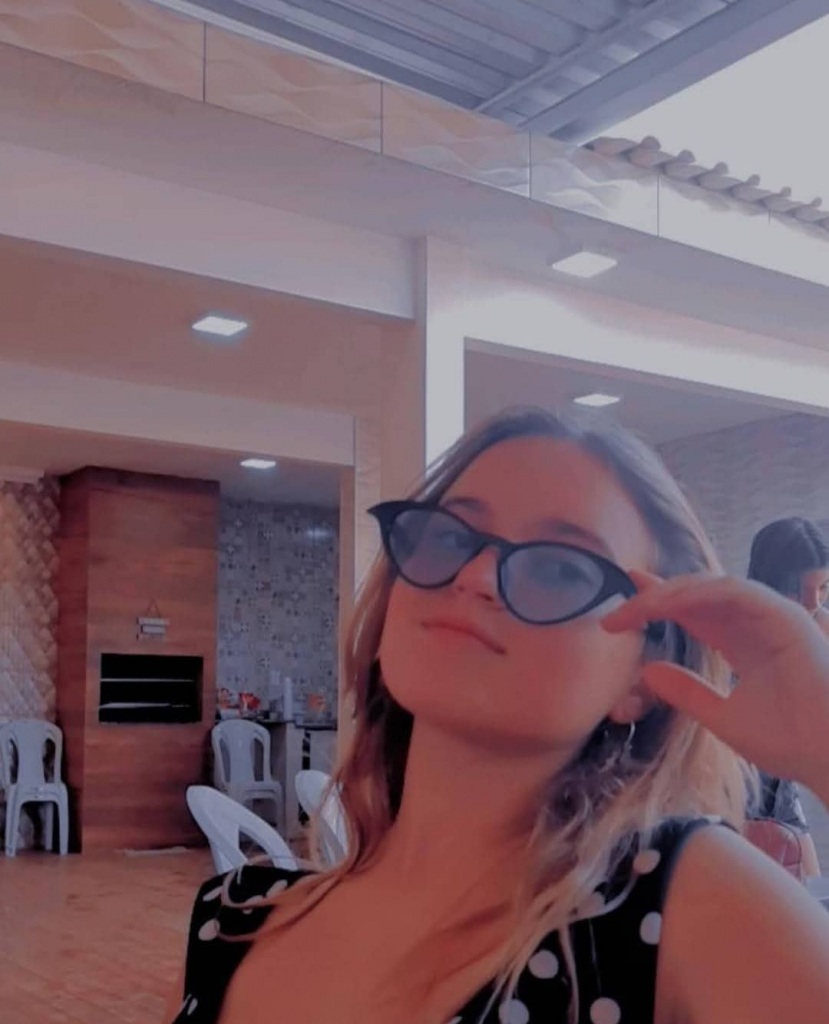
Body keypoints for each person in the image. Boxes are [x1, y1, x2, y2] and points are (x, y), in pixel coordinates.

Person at [167, 409, 829, 1024]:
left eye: (560, 569)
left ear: (639, 677)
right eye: (449, 536)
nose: (476, 576)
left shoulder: (682, 907)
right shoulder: (234, 920)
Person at [744, 516, 829, 875]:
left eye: (823, 588)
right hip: (728, 800)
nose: (813, 602)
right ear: (769, 582)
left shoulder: (818, 626)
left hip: (782, 796)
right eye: (799, 589)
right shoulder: (729, 634)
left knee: (812, 898)